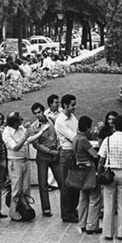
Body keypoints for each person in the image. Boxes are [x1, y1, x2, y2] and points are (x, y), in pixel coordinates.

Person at [29, 102, 61, 217]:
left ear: (44, 111)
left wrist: (57, 150)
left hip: (55, 153)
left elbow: (58, 135)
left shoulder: (52, 120)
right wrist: (49, 151)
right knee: (43, 184)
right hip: (43, 156)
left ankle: (66, 208)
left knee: (62, 181)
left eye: (39, 112)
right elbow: (35, 144)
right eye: (35, 113)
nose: (38, 115)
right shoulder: (33, 127)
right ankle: (46, 209)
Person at [2, 111, 33, 221]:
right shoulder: (6, 133)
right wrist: (25, 137)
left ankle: (25, 208)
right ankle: (13, 211)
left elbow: (28, 139)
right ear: (14, 122)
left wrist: (37, 133)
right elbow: (15, 147)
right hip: (15, 162)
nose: (22, 120)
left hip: (25, 160)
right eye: (20, 119)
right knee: (16, 188)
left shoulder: (21, 129)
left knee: (25, 187)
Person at [74, 116, 101, 234]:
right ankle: (92, 225)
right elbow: (95, 155)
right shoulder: (83, 140)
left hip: (79, 169)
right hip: (88, 169)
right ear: (87, 127)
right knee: (94, 198)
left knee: (83, 197)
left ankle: (82, 222)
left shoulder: (75, 138)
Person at [54, 94, 79, 223]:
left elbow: (78, 133)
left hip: (74, 152)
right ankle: (67, 213)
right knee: (67, 184)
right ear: (65, 105)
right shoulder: (60, 121)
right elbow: (74, 137)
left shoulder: (72, 117)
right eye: (72, 105)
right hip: (67, 152)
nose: (75, 107)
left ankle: (73, 209)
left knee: (75, 183)